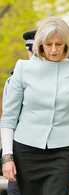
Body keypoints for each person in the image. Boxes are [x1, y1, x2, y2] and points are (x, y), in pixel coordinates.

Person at [0, 17, 69, 195]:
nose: (53, 49)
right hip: (26, 151)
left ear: (67, 44)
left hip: (64, 153)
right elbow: (9, 118)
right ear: (40, 44)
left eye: (59, 44)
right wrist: (7, 157)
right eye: (48, 44)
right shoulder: (23, 68)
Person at [2, 29, 37, 195]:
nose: (32, 55)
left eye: (36, 51)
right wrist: (8, 157)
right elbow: (8, 120)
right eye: (30, 50)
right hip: (19, 153)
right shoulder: (13, 80)